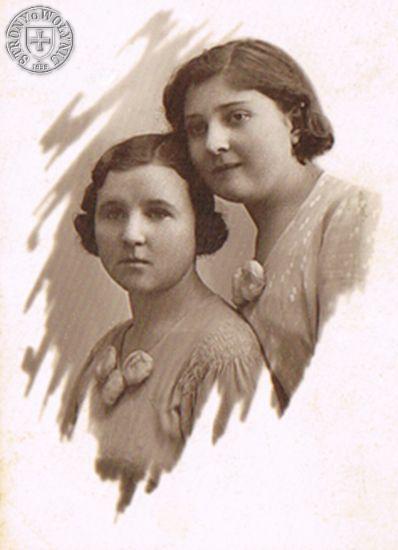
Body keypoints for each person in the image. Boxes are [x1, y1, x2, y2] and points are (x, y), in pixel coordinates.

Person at [163, 39, 380, 411]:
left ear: (292, 120)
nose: (213, 143)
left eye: (236, 117)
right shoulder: (265, 239)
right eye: (197, 129)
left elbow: (362, 398)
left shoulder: (351, 217)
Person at [61, 133, 264, 512]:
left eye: (157, 213)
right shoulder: (109, 346)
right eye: (113, 213)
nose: (131, 235)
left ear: (198, 226)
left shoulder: (225, 353)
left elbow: (238, 513)